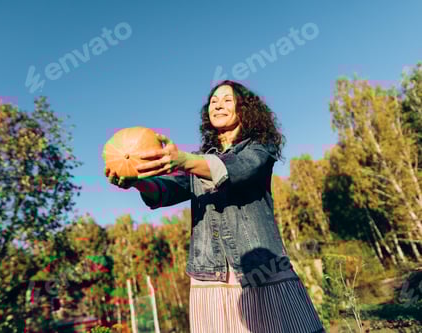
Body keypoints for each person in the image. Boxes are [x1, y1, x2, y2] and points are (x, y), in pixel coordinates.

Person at [105, 80, 325, 333]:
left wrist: (183, 160)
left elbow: (239, 170)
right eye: (213, 101)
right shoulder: (197, 161)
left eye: (227, 100)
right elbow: (166, 190)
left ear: (245, 108)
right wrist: (137, 181)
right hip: (209, 273)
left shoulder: (259, 147)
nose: (218, 105)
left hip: (262, 268)